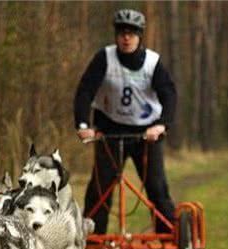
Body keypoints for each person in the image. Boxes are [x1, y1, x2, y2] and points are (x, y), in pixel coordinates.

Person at [74, 9, 176, 235]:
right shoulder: (104, 58)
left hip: (146, 134)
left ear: (140, 36)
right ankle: (92, 242)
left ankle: (169, 238)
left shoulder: (152, 62)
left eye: (131, 33)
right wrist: (83, 125)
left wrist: (162, 125)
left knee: (157, 188)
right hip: (109, 132)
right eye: (121, 33)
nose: (126, 37)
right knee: (99, 190)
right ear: (116, 35)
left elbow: (169, 94)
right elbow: (85, 91)